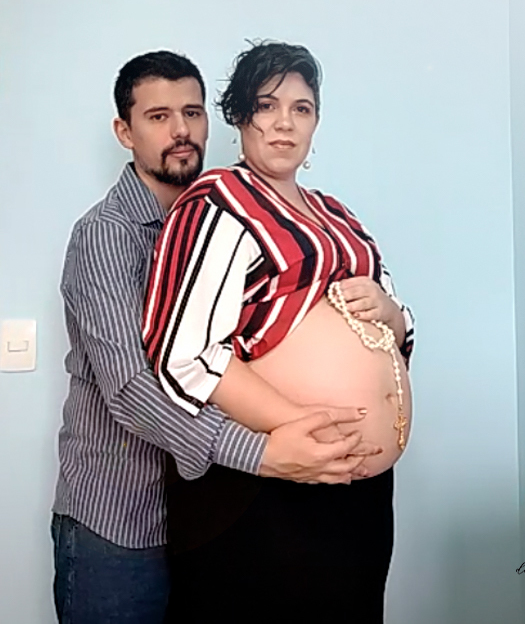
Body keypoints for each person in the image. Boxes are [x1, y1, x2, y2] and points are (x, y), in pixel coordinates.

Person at [52, 50, 380, 624]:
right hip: (122, 518)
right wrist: (265, 452)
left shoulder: (226, 218)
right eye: (158, 117)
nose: (180, 131)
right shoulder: (106, 236)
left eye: (192, 113)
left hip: (210, 507)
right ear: (124, 132)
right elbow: (131, 386)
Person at [143, 41, 414, 624]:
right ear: (240, 116)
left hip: (359, 494)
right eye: (267, 106)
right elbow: (180, 352)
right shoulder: (217, 203)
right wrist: (298, 430)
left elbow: (395, 322)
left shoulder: (337, 214)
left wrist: (392, 314)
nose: (285, 122)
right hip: (272, 488)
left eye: (302, 108)